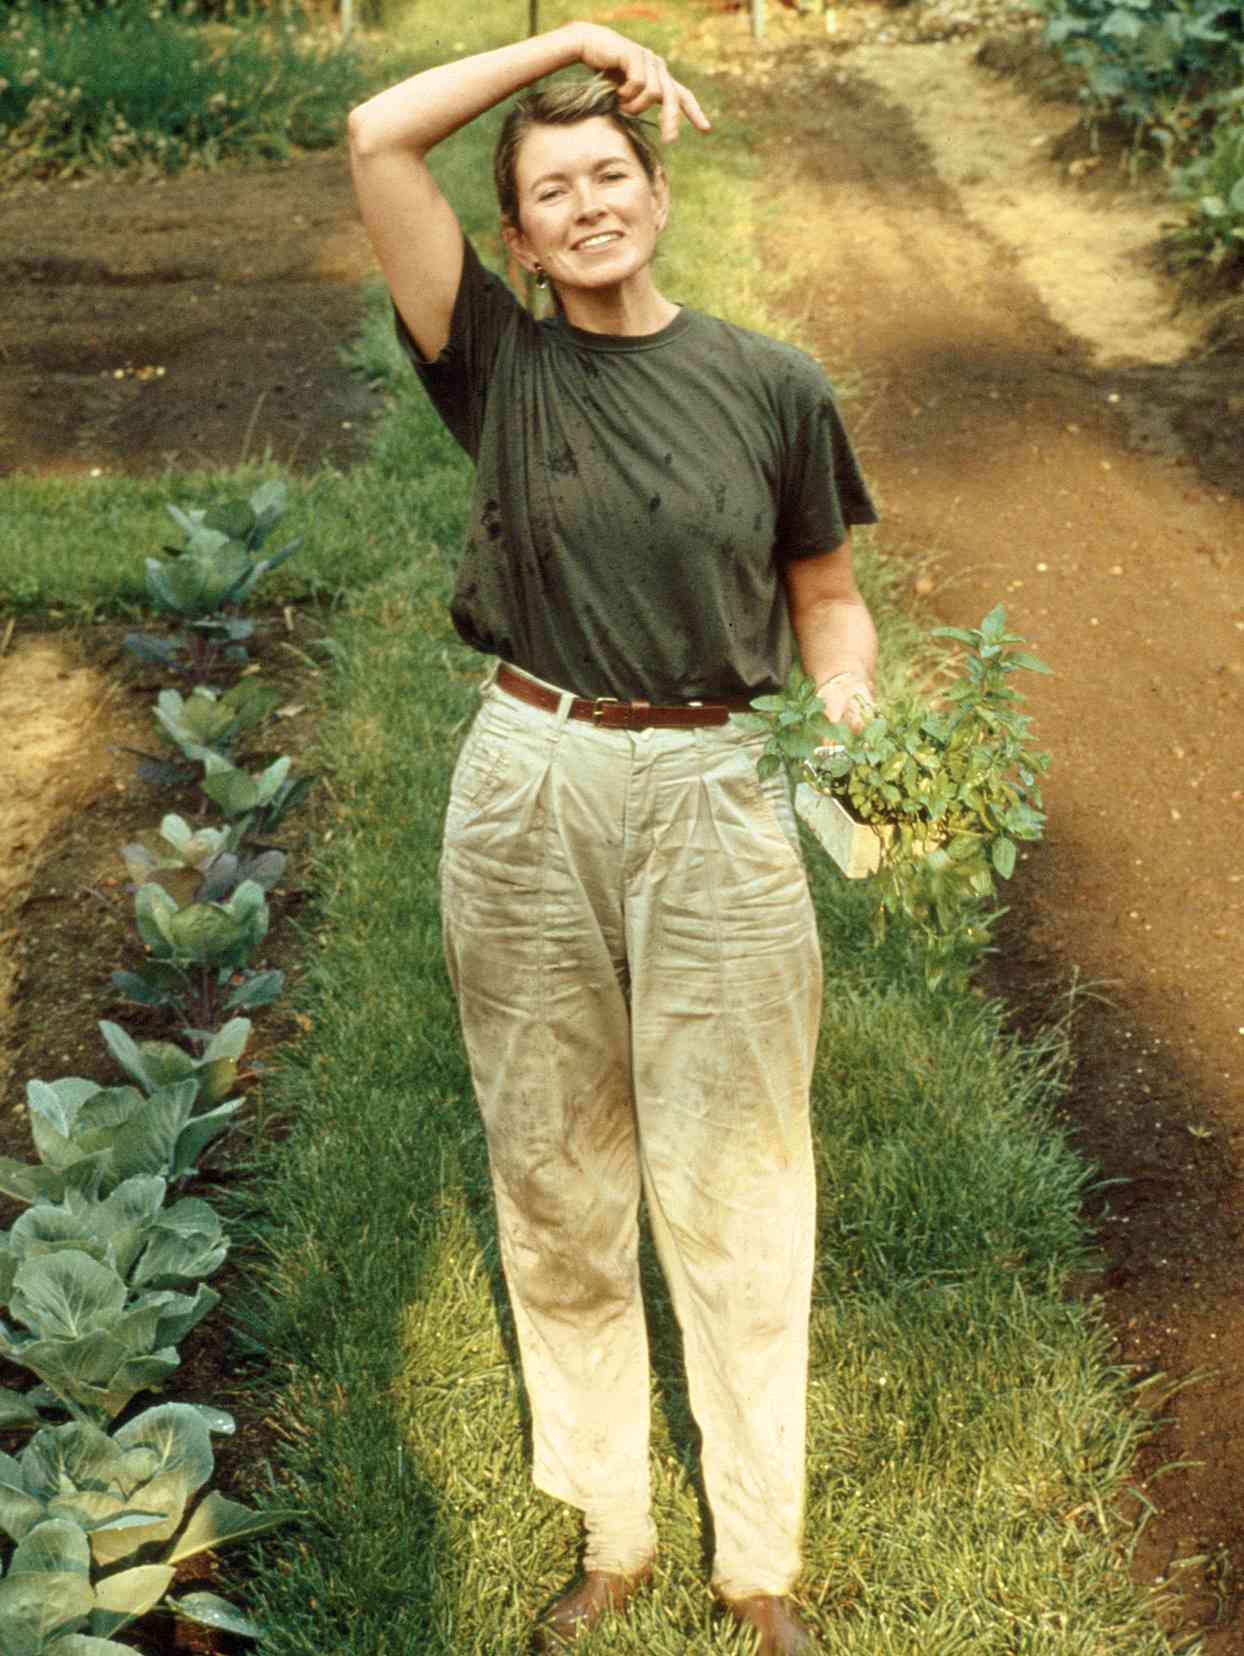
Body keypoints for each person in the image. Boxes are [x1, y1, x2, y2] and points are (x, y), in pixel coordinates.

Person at [348, 23, 879, 1655]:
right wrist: (573, 45)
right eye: (548, 191)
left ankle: (759, 1561)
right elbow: (376, 135)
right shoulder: (497, 361)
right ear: (513, 239)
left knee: (739, 1178)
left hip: (720, 786)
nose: (585, 205)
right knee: (557, 1172)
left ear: (657, 191)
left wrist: (852, 717)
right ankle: (613, 1525)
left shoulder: (772, 385)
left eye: (607, 174)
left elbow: (829, 606)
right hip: (532, 782)